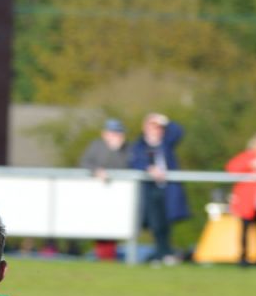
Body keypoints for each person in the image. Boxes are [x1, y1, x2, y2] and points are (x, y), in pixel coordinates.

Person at [128, 113, 187, 265]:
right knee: (155, 224)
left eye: (159, 127)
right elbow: (134, 163)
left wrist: (163, 119)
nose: (156, 130)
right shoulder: (139, 145)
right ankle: (160, 254)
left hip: (167, 189)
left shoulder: (165, 143)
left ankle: (165, 253)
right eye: (153, 126)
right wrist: (149, 169)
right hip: (149, 189)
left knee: (166, 223)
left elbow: (178, 131)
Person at [77, 118, 131, 261]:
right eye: (111, 132)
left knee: (113, 229)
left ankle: (108, 257)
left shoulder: (126, 149)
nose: (114, 136)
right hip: (97, 196)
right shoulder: (96, 146)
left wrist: (117, 150)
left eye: (117, 132)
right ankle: (102, 256)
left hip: (118, 197)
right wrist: (96, 171)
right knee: (100, 228)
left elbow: (128, 166)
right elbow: (84, 162)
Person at [224, 133, 256, 267]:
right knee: (244, 231)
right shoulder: (247, 157)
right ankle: (243, 257)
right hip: (248, 203)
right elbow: (231, 168)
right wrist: (250, 165)